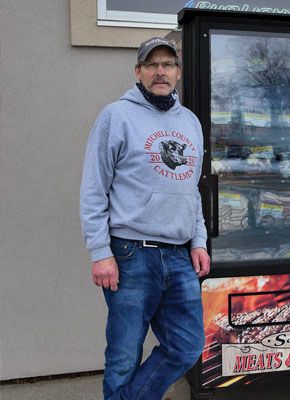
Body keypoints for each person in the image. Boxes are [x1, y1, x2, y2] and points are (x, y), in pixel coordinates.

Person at [80, 37, 210, 400]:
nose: (160, 71)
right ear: (138, 72)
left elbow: (192, 188)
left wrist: (198, 240)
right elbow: (94, 188)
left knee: (186, 346)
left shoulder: (190, 122)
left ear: (178, 73)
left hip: (180, 254)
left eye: (168, 65)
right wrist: (100, 252)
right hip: (131, 254)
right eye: (151, 65)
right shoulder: (116, 116)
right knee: (123, 356)